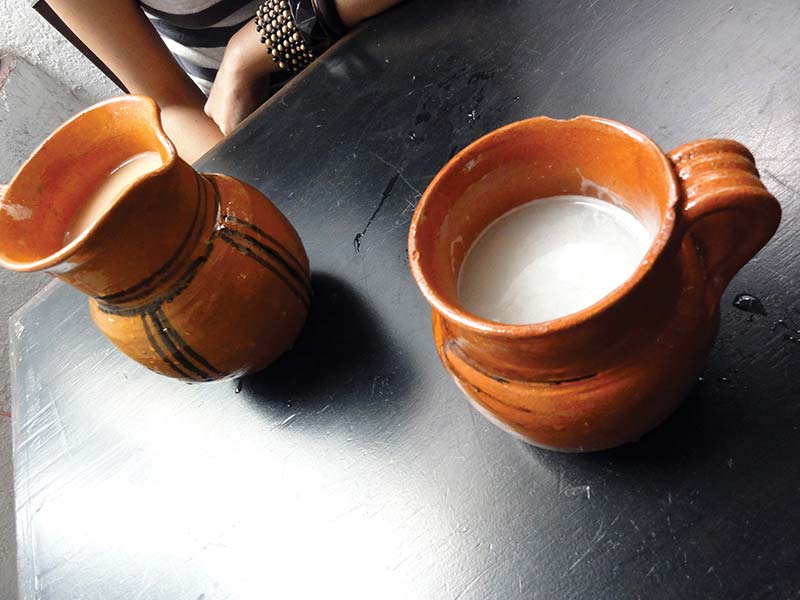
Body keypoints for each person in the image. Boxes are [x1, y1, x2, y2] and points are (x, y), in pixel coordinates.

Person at [45, 0, 404, 162]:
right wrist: (238, 190)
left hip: (408, 40)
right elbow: (169, 103)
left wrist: (247, 54)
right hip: (261, 132)